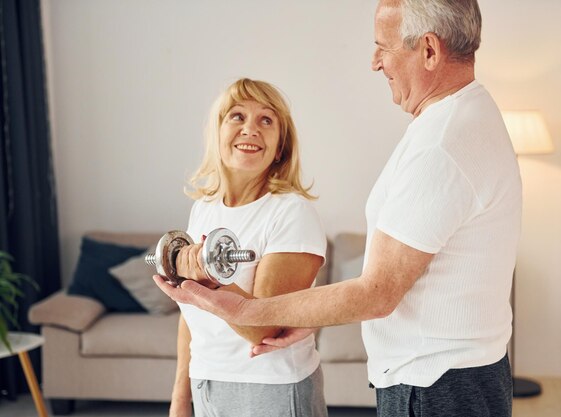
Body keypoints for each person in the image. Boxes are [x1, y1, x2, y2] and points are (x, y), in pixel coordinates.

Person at [155, 1, 522, 416]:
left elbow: (378, 292)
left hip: (437, 386)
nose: (375, 62)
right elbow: (398, 283)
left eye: (383, 47)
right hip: (446, 378)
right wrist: (306, 316)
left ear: (430, 51)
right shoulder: (458, 119)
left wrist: (247, 309)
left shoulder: (443, 145)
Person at [167, 78, 328, 417]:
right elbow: (190, 317)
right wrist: (180, 399)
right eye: (237, 116)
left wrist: (210, 280)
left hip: (271, 386)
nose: (250, 129)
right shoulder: (204, 208)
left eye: (266, 120)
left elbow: (262, 328)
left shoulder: (292, 212)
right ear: (218, 131)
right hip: (206, 382)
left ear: (281, 145)